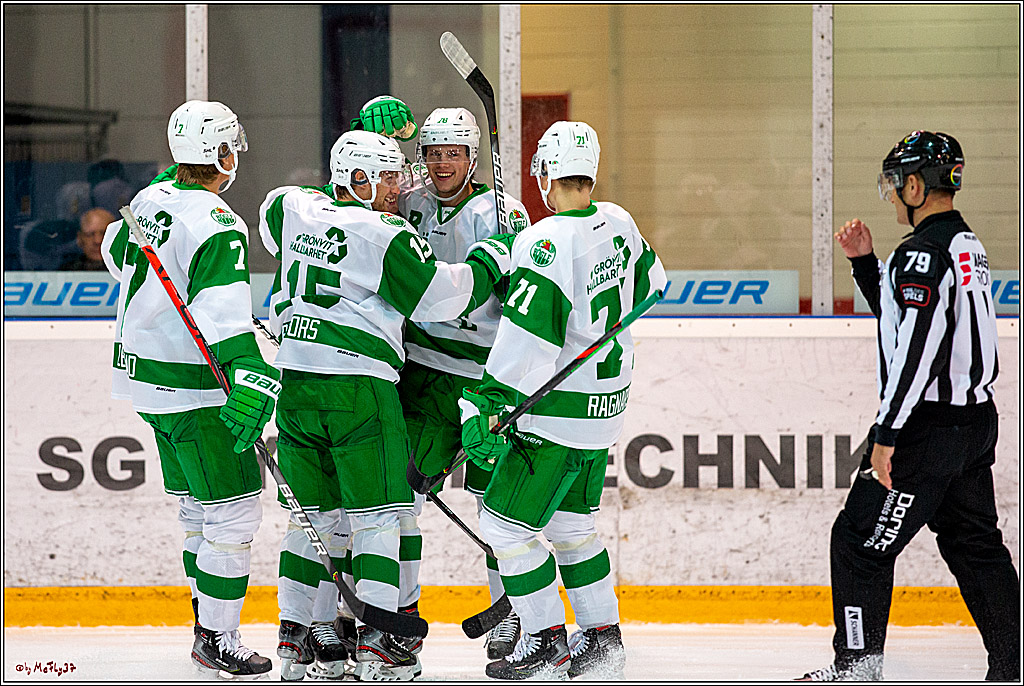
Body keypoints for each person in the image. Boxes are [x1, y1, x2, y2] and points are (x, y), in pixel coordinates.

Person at [258, 128, 498, 681]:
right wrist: (489, 259)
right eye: (388, 178)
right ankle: (381, 643)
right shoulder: (385, 232)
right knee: (379, 520)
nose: (399, 188)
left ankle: (296, 640)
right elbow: (441, 299)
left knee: (311, 520)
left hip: (295, 384)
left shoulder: (299, 208)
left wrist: (332, 194)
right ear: (360, 181)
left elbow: (272, 208)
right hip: (358, 388)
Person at [799, 131, 1019, 681]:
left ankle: (856, 666)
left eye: (896, 184)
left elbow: (916, 352)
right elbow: (909, 322)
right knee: (976, 547)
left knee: (858, 543)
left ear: (915, 185)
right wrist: (866, 266)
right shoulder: (965, 243)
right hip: (972, 424)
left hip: (925, 431)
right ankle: (1014, 665)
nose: (893, 194)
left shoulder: (922, 252)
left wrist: (887, 432)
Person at [459, 121, 666, 680]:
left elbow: (528, 341)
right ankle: (602, 639)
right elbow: (655, 284)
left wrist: (487, 402)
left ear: (546, 173)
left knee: (505, 528)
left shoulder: (544, 242)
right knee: (573, 528)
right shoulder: (619, 220)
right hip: (604, 411)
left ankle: (545, 639)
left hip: (554, 419)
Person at [100, 100, 276, 678]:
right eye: (231, 148)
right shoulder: (220, 222)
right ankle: (217, 638)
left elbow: (112, 253)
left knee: (198, 514)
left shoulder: (150, 200)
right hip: (199, 388)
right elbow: (223, 316)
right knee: (232, 514)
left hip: (150, 385)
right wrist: (252, 378)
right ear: (221, 154)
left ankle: (207, 617)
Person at [358, 96, 532, 660]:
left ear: (472, 156)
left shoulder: (505, 214)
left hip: (485, 380)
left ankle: (516, 617)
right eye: (431, 153)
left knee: (499, 506)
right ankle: (399, 618)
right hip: (423, 376)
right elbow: (351, 195)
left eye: (453, 153)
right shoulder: (407, 199)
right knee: (398, 500)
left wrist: (511, 269)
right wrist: (364, 128)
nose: (441, 164)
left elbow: (527, 300)